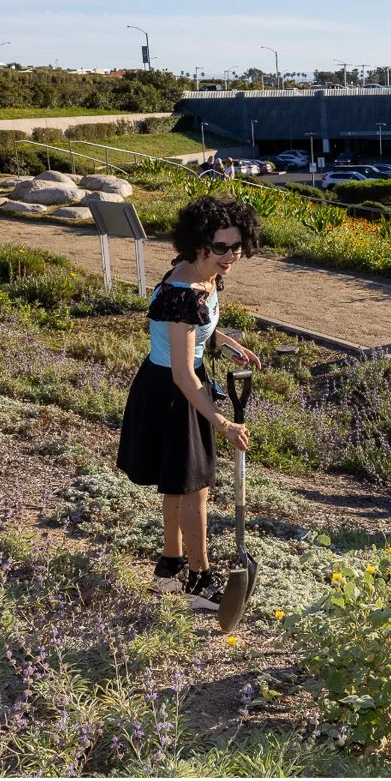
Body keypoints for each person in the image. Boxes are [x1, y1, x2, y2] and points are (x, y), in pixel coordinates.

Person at [117, 195, 263, 610]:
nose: (230, 256)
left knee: (179, 484)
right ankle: (198, 579)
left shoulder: (205, 275)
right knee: (194, 487)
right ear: (199, 242)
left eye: (236, 246)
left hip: (176, 383)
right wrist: (224, 424)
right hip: (172, 391)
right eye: (220, 247)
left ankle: (169, 566)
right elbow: (183, 373)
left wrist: (224, 340)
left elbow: (199, 327)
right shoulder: (183, 293)